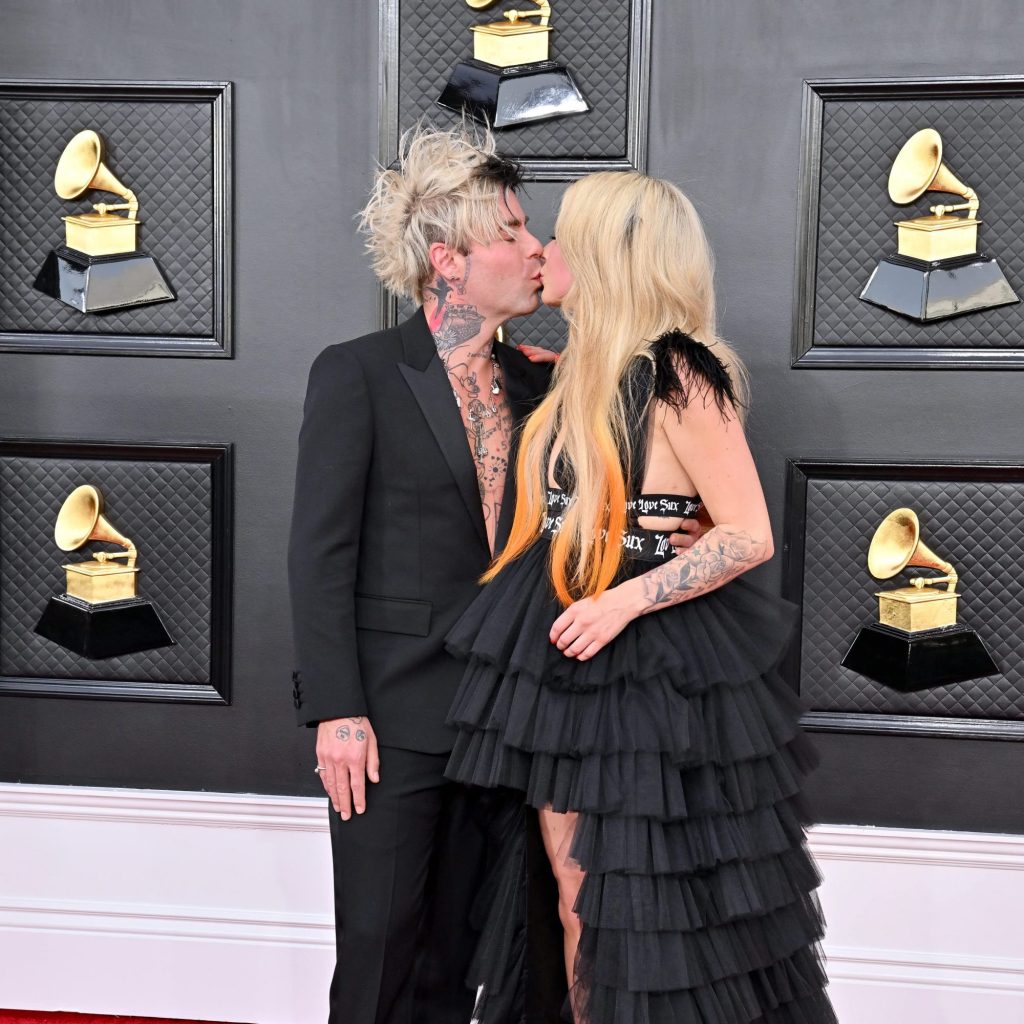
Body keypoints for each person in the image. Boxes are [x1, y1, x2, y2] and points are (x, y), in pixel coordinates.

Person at [287, 127, 700, 1024]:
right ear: (448, 261)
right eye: (511, 230)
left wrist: (673, 523)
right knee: (380, 954)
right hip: (390, 721)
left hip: (511, 716)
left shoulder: (543, 384)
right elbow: (319, 556)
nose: (535, 247)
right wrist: (336, 712)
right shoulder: (358, 374)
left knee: (476, 959)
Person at [444, 171, 837, 1023]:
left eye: (560, 235)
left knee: (644, 902)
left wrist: (623, 603)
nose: (542, 250)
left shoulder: (680, 374)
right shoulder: (578, 375)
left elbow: (747, 534)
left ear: (605, 255)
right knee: (573, 894)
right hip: (561, 648)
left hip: (644, 656)